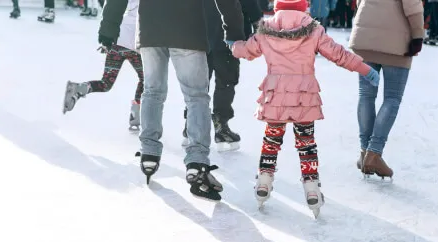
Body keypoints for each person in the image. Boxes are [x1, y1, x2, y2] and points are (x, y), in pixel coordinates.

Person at [228, 0, 379, 216]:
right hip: (303, 97)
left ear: (277, 7)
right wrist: (365, 69)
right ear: (304, 7)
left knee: (271, 140)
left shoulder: (266, 30)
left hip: (276, 96)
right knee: (306, 143)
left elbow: (247, 50)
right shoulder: (314, 30)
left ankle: (264, 182)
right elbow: (338, 54)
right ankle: (312, 189)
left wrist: (233, 45)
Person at [99, 0, 245, 201]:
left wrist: (108, 29)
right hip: (188, 31)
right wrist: (234, 31)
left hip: (151, 29)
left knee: (152, 91)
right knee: (196, 97)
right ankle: (197, 162)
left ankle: (149, 153)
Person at [349, 0, 424, 178]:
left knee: (366, 95)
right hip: (396, 42)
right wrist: (418, 35)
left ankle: (365, 152)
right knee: (392, 98)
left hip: (365, 37)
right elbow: (412, 6)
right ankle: (373, 153)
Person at [182, 0, 263, 151]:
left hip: (199, 36)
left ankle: (191, 124)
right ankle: (220, 126)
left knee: (199, 83)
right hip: (228, 37)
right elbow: (251, 6)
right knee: (225, 82)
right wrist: (258, 26)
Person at [63, 0, 142, 131]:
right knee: (146, 80)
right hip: (135, 44)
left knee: (106, 83)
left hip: (116, 41)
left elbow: (108, 10)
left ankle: (80, 88)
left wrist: (106, 40)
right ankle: (136, 116)